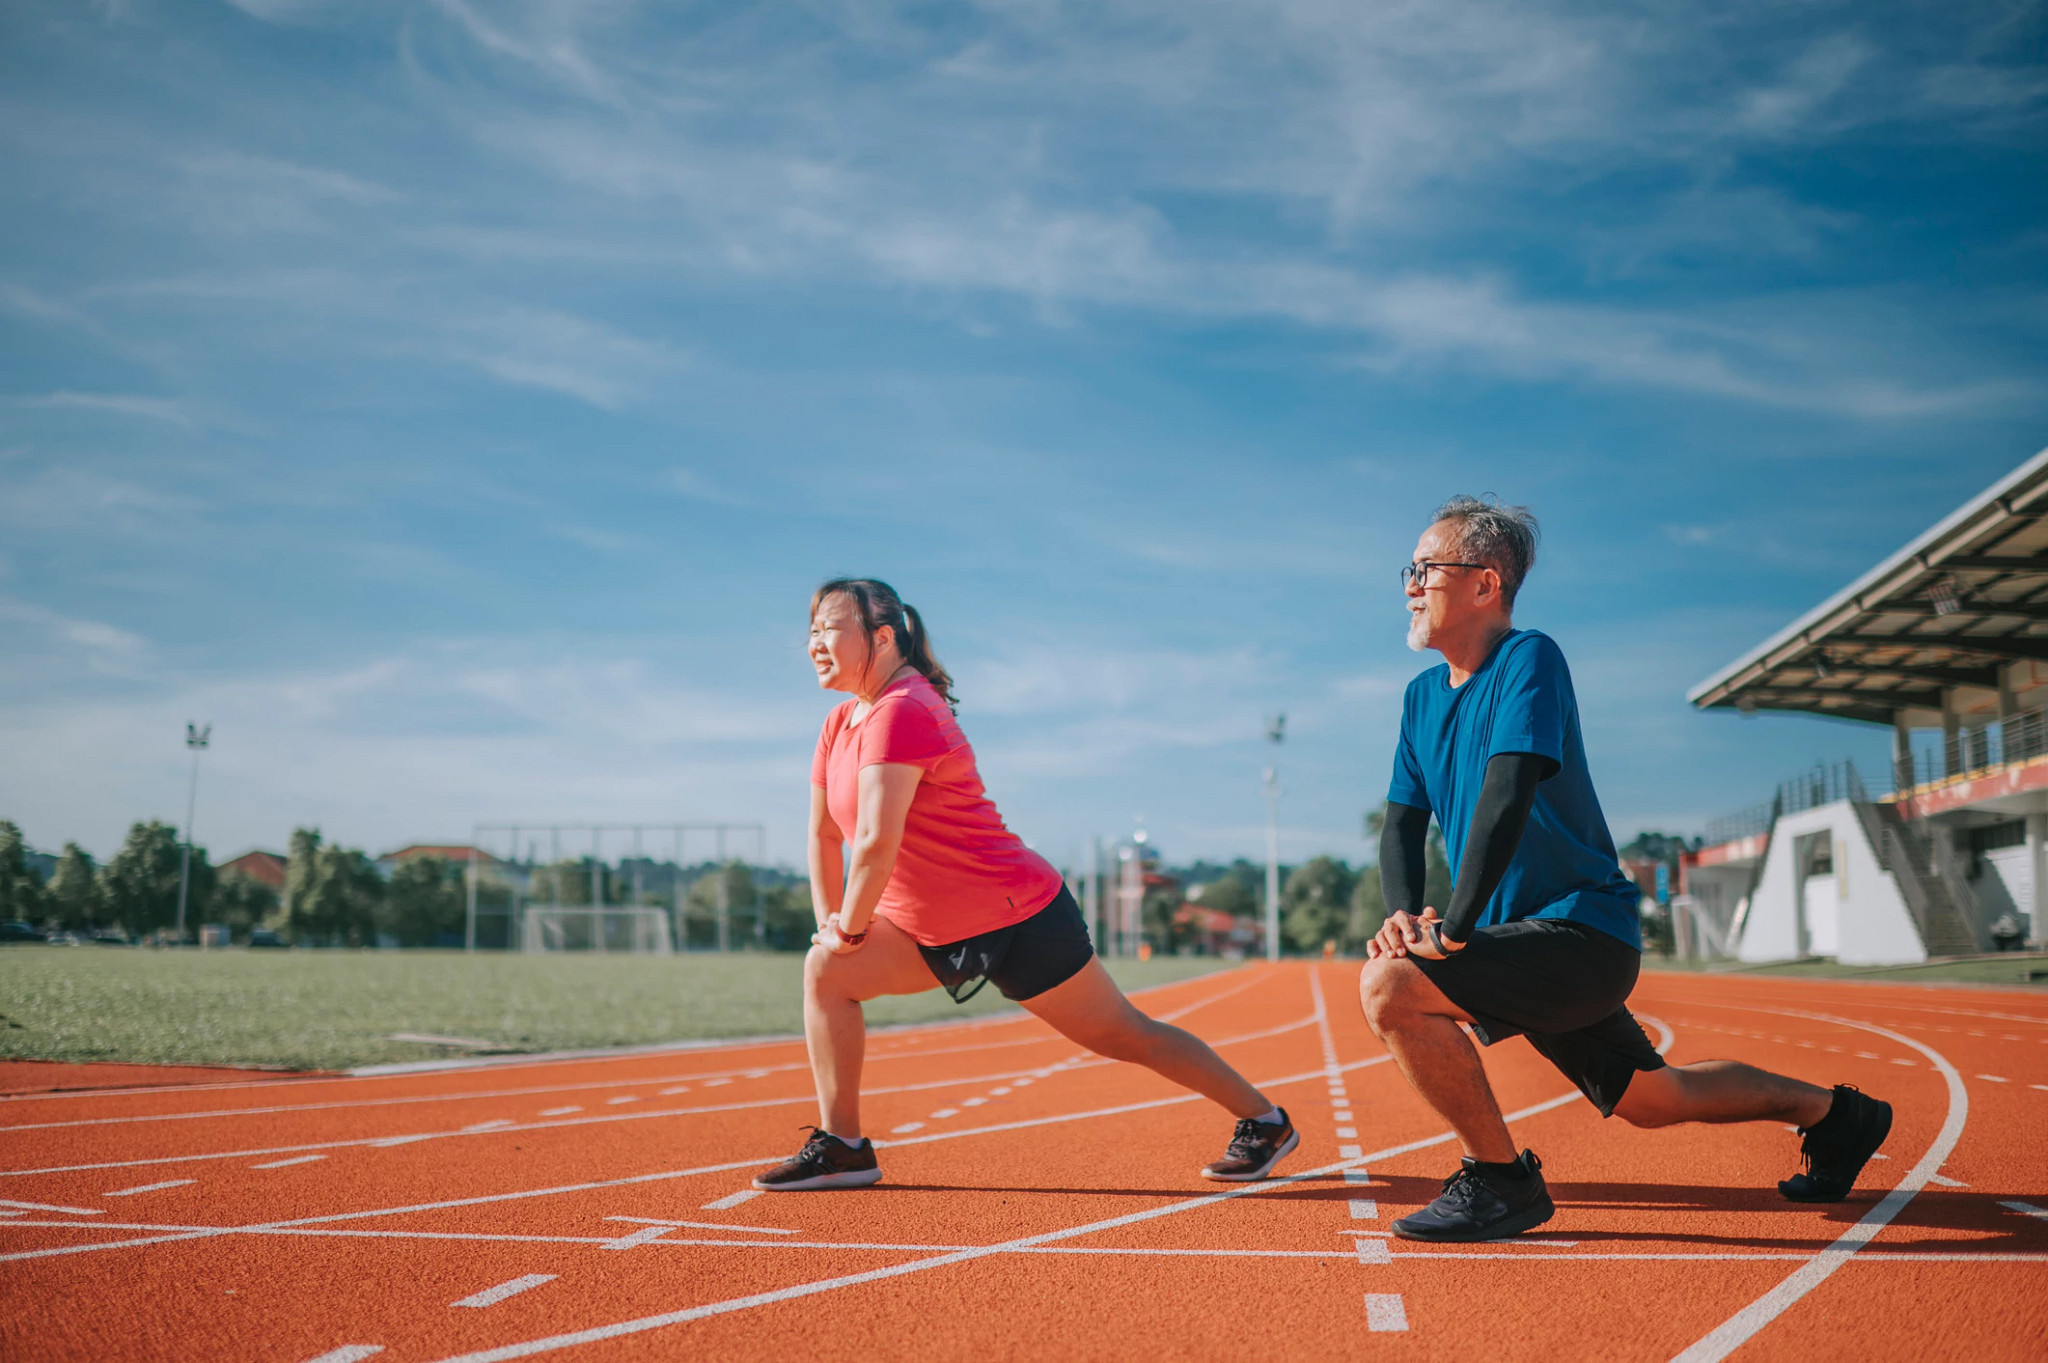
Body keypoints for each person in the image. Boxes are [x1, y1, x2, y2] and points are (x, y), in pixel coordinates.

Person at [1358, 496, 1892, 1243]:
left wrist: (1455, 926)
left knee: (1390, 988)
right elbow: (1402, 824)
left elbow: (1506, 792)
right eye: (1407, 570)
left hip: (1582, 931)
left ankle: (1503, 1180)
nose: (1409, 583)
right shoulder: (1420, 699)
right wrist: (1404, 913)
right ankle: (1837, 1114)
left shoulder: (1528, 659)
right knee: (1653, 1097)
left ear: (1484, 583)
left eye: (1424, 567)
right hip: (1527, 936)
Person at [753, 577, 1298, 1190]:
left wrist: (850, 927)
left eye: (827, 627)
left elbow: (875, 840)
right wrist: (832, 928)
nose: (813, 644)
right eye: (810, 632)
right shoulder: (838, 724)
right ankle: (844, 1146)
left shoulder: (902, 708)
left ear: (881, 637)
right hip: (927, 925)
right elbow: (826, 836)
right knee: (826, 972)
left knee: (1123, 1035)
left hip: (1015, 914)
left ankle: (1264, 1119)